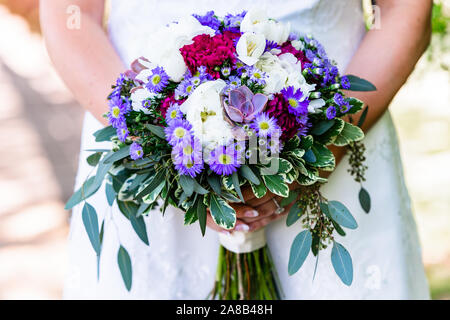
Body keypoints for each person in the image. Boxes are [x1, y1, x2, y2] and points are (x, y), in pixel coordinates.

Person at [40, 0, 432, 299]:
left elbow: (402, 9)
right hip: (150, 168)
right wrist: (156, 149)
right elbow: (69, 17)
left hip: (334, 140)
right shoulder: (154, 151)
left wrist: (325, 147)